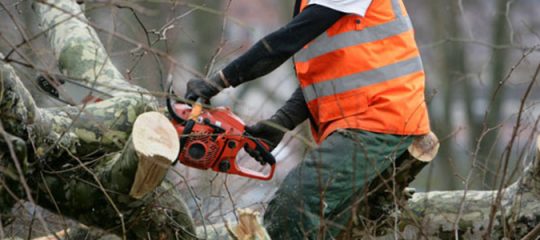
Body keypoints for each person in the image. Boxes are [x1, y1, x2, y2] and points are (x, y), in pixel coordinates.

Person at [184, 0, 430, 238]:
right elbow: (327, 75)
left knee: (295, 206)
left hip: (382, 117)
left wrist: (218, 81)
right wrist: (281, 122)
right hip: (360, 120)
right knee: (327, 227)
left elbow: (283, 43)